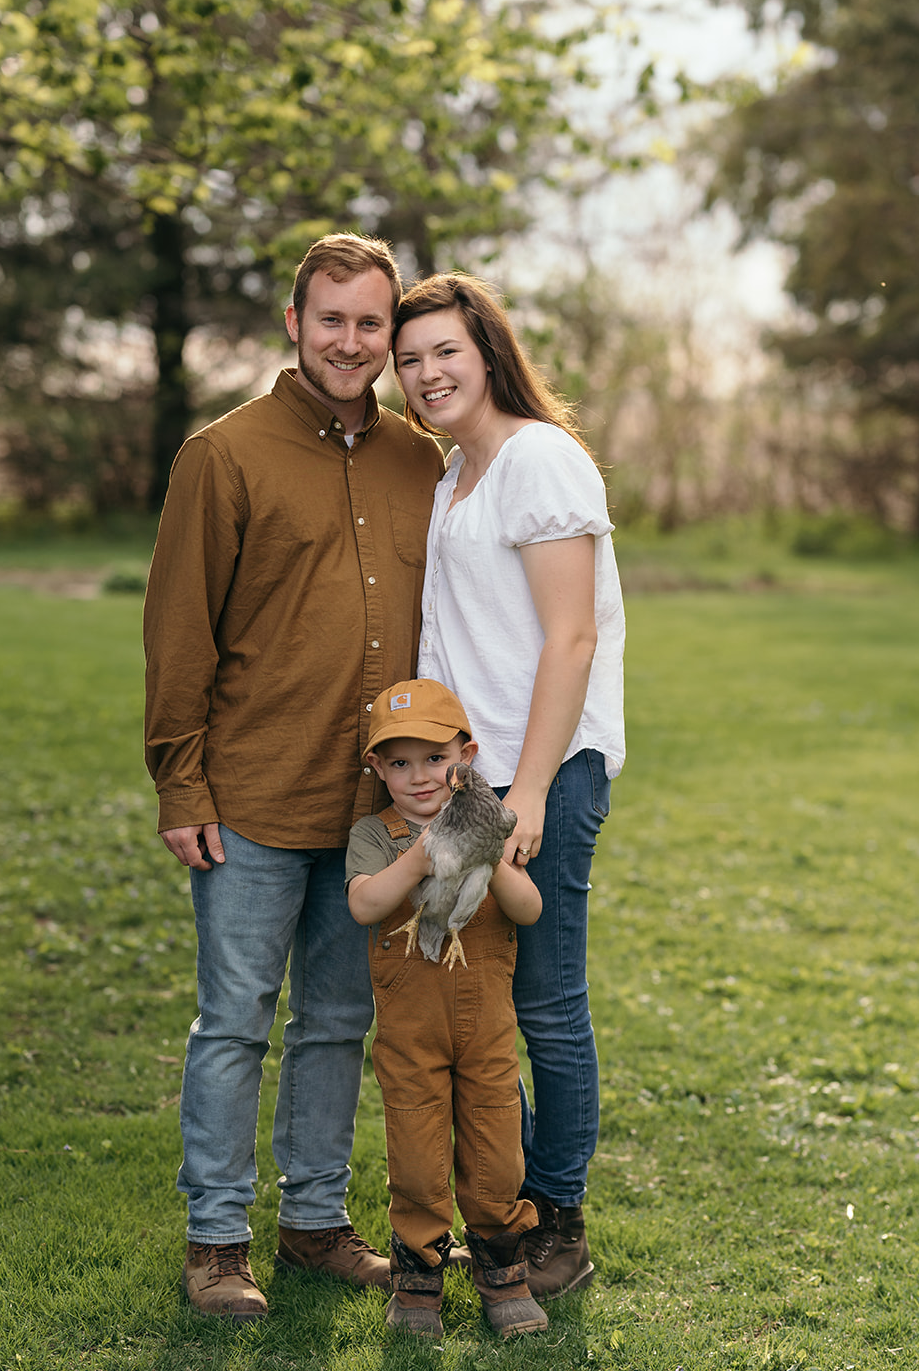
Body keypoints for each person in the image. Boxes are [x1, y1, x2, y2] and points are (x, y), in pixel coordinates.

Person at [143, 232, 445, 1323]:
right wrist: (182, 784)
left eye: (373, 323)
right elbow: (179, 632)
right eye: (333, 320)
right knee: (233, 1022)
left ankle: (315, 1223)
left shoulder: (423, 459)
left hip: (374, 811)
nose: (353, 342)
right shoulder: (221, 455)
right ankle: (217, 1240)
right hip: (255, 797)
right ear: (293, 323)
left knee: (335, 1023)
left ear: (390, 332)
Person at [391, 273, 625, 1299]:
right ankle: (507, 1208)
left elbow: (570, 638)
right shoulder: (452, 477)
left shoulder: (540, 458)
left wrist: (526, 792)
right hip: (469, 785)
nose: (427, 372)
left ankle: (557, 1218)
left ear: (487, 349)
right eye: (411, 359)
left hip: (546, 775)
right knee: (475, 1006)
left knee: (546, 1001)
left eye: (444, 349)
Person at [346, 677, 547, 1341]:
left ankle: (501, 1268)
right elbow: (366, 905)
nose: (419, 776)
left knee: (497, 1154)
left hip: (487, 1029)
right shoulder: (376, 835)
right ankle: (419, 1275)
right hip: (411, 1032)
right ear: (376, 767)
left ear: (467, 754)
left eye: (435, 758)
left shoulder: (495, 826)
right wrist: (424, 857)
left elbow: (530, 910)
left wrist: (490, 858)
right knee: (415, 1156)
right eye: (398, 762)